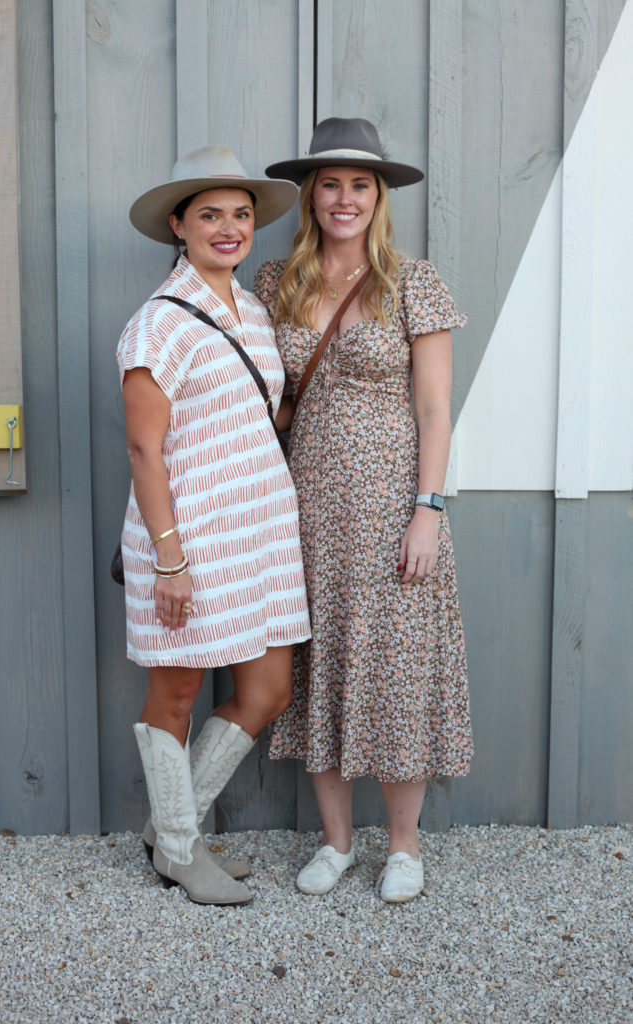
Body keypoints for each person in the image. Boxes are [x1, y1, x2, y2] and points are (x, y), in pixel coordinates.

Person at [255, 118, 473, 903]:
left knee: (396, 672)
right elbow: (260, 399)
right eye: (329, 183)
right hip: (301, 513)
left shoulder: (414, 280)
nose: (343, 197)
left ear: (377, 196)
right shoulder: (276, 280)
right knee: (315, 670)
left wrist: (428, 510)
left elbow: (435, 410)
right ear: (310, 195)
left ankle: (405, 848)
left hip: (392, 513)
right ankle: (337, 842)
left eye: (359, 184)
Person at [117, 145, 311, 906]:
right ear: (178, 225)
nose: (228, 228)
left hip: (258, 536)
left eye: (240, 215)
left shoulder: (255, 312)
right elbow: (142, 446)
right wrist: (169, 559)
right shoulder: (157, 324)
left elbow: (257, 414)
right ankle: (178, 847)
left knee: (266, 690)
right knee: (175, 693)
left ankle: (174, 830)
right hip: (188, 540)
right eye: (209, 215)